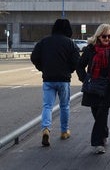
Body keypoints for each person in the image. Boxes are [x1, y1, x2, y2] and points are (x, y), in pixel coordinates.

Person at [76, 23, 110, 154]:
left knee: (102, 114)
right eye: (104, 36)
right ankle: (104, 132)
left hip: (108, 87)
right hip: (93, 86)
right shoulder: (90, 49)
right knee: (96, 113)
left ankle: (98, 144)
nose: (107, 39)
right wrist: (84, 78)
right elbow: (80, 66)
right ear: (98, 36)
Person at [31, 19, 80, 147]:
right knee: (65, 106)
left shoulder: (44, 41)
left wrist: (43, 68)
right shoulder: (70, 43)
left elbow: (34, 57)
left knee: (47, 106)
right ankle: (64, 131)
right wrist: (69, 70)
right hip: (64, 79)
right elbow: (76, 61)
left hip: (48, 79)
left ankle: (46, 129)